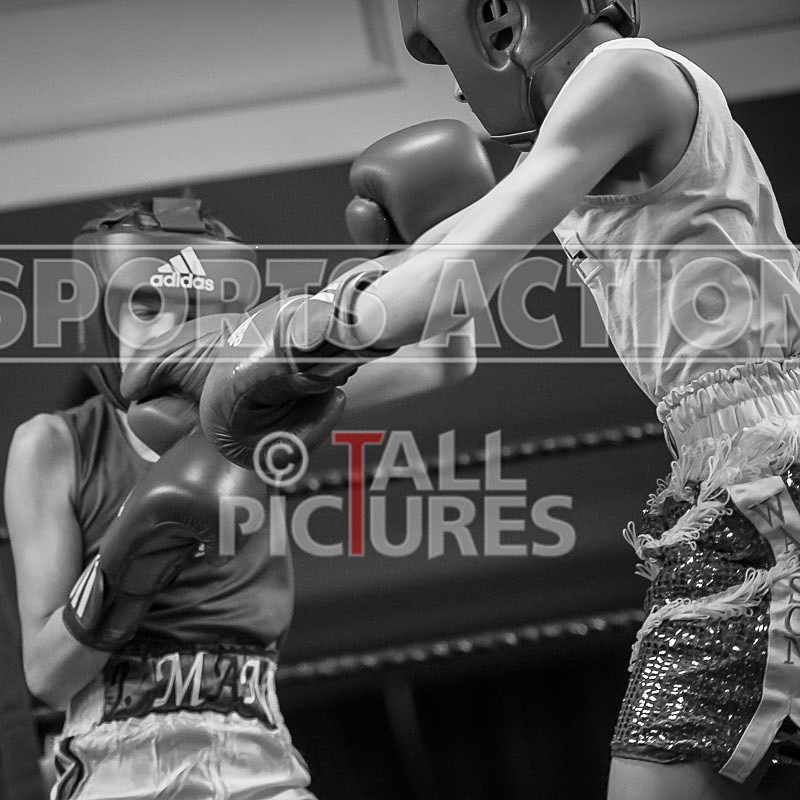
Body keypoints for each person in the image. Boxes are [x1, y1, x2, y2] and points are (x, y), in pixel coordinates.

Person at [190, 2, 800, 798]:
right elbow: (454, 248)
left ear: (499, 20)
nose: (455, 92)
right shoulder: (591, 126)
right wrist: (299, 326)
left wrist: (299, 343)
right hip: (737, 475)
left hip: (766, 474)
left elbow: (457, 278)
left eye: (444, 61)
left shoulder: (625, 75)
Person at [4, 194, 479, 799]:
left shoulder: (262, 407)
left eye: (196, 306)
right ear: (104, 319)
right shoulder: (53, 445)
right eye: (145, 304)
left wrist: (428, 227)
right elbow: (46, 676)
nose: (170, 327)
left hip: (258, 756)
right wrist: (126, 561)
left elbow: (443, 359)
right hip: (115, 763)